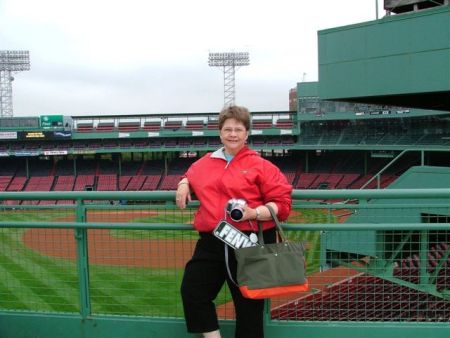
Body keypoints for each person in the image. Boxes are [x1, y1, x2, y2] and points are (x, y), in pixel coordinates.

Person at [176, 105, 292, 338]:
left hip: (250, 241)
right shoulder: (203, 163)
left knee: (249, 306)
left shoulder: (262, 166)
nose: (232, 134)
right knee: (193, 291)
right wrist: (184, 182)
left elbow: (282, 205)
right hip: (213, 240)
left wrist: (254, 213)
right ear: (220, 133)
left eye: (238, 129)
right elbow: (191, 173)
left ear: (247, 134)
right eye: (227, 129)